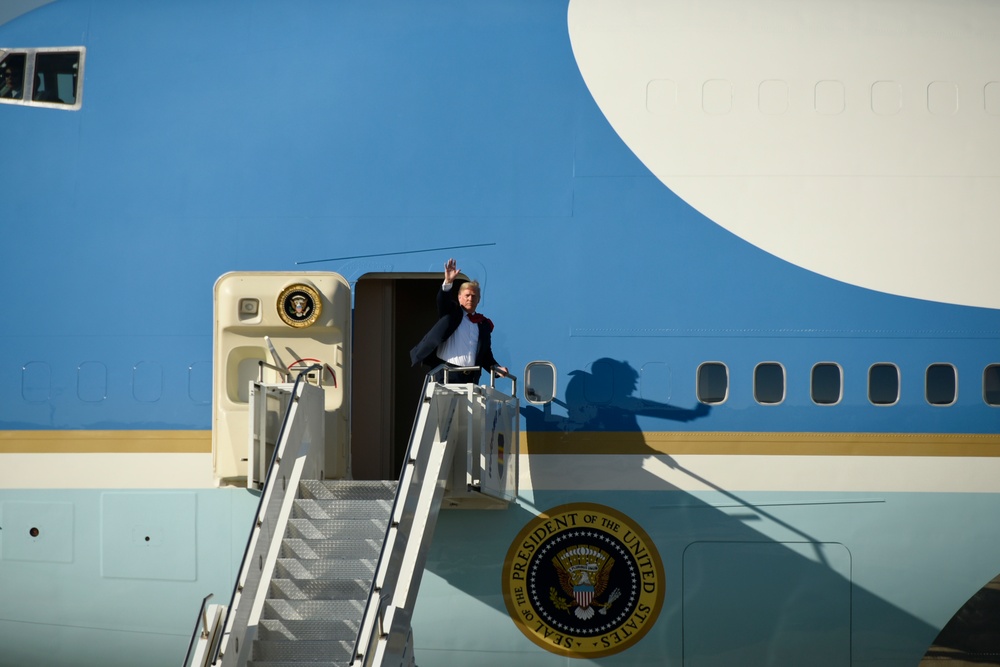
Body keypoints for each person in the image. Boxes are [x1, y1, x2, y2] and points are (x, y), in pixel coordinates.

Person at [410, 258, 508, 384]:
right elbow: (443, 301)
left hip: (469, 378)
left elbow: (485, 355)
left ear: (479, 299)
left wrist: (497, 368)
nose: (470, 299)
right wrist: (448, 282)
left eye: (474, 296)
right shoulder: (452, 314)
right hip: (445, 373)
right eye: (467, 295)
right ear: (459, 298)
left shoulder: (483, 324)